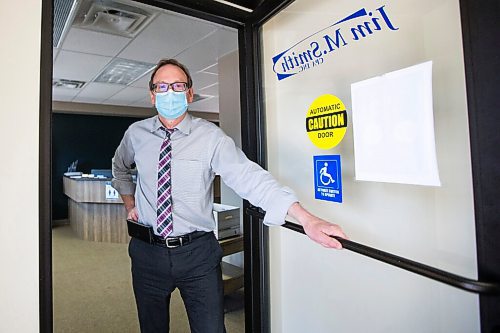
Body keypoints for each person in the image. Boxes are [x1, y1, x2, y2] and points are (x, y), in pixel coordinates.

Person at [112, 58, 347, 333]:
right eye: (162, 87)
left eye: (177, 86)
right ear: (152, 95)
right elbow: (119, 168)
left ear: (189, 92)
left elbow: (249, 177)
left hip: (197, 254)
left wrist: (305, 218)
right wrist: (130, 203)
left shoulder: (211, 138)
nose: (170, 93)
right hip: (146, 253)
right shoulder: (135, 134)